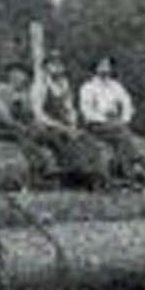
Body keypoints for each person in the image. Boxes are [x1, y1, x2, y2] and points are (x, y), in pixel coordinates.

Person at [79, 54, 145, 186]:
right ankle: (133, 168)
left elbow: (127, 103)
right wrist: (104, 119)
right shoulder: (88, 87)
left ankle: (129, 171)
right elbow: (87, 111)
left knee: (124, 133)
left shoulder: (116, 86)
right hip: (96, 125)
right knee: (122, 134)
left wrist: (124, 118)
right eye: (102, 65)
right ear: (95, 68)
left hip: (116, 124)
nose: (105, 68)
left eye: (108, 65)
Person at [31, 54, 110, 189]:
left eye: (59, 65)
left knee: (85, 139)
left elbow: (70, 108)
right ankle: (70, 174)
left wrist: (72, 122)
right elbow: (38, 113)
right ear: (46, 68)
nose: (58, 68)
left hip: (63, 125)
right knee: (61, 140)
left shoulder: (64, 84)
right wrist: (60, 126)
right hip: (44, 126)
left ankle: (95, 173)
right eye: (53, 65)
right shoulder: (40, 85)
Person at [0, 61, 58, 180]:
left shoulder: (24, 94)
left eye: (24, 75)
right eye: (18, 74)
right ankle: (39, 167)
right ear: (11, 76)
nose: (22, 78)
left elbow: (29, 115)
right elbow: (3, 115)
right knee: (26, 138)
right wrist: (21, 127)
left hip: (19, 128)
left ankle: (48, 166)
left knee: (43, 135)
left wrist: (35, 125)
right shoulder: (0, 91)